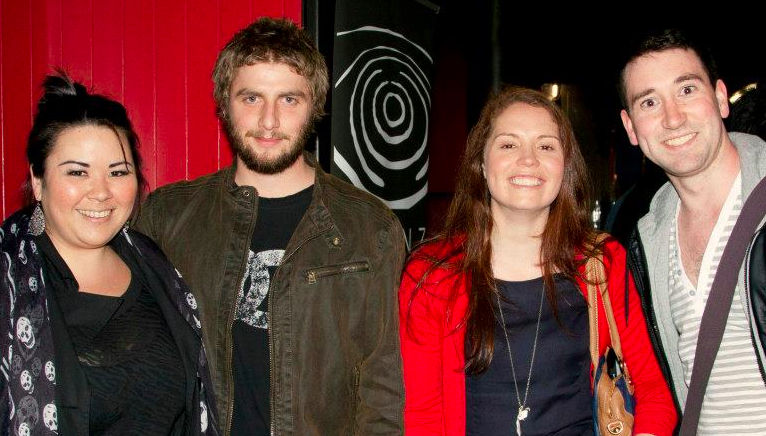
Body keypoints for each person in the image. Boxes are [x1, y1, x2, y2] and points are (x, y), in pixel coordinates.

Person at [134, 17, 406, 436]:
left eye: (289, 100)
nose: (268, 121)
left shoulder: (370, 228)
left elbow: (382, 393)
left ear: (314, 106)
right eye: (251, 98)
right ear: (224, 103)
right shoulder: (168, 218)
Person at [399, 86, 677, 436]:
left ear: (565, 167)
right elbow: (421, 417)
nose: (528, 159)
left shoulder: (603, 263)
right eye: (508, 145)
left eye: (546, 146)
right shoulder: (431, 274)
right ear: (481, 164)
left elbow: (653, 390)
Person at [0, 73, 219, 435]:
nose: (101, 192)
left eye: (117, 172)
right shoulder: (9, 286)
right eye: (77, 172)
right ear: (38, 181)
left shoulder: (155, 267)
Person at [620, 29, 766, 434]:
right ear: (631, 127)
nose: (672, 118)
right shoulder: (646, 242)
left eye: (686, 90)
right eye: (649, 102)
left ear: (720, 97)